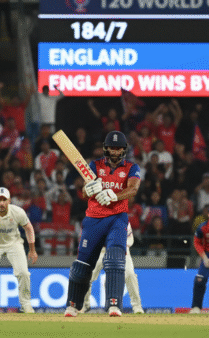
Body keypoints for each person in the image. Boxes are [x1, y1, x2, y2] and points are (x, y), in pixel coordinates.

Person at [65, 131, 141, 317]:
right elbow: (85, 192)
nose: (115, 151)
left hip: (117, 218)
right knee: (83, 264)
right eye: (112, 148)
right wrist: (89, 189)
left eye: (119, 148)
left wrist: (114, 195)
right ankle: (73, 306)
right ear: (106, 149)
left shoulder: (131, 167)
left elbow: (133, 189)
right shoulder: (94, 165)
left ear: (124, 150)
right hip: (93, 219)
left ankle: (114, 305)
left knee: (115, 260)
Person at [81, 223, 144, 314]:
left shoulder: (122, 219)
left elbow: (129, 240)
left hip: (120, 250)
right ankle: (84, 305)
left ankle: (137, 307)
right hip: (99, 250)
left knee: (130, 274)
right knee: (86, 275)